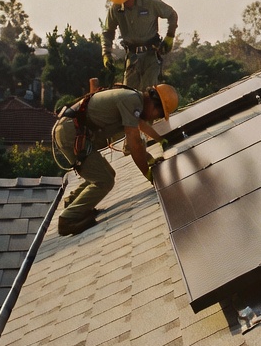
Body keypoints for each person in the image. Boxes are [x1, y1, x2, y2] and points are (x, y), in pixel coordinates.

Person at [52, 84, 179, 236]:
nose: (155, 118)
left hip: (71, 130)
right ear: (154, 104)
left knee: (106, 173)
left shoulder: (134, 98)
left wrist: (160, 140)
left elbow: (140, 126)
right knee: (105, 181)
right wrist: (148, 174)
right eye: (158, 115)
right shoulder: (132, 101)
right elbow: (134, 144)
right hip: (71, 133)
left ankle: (73, 202)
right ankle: (67, 220)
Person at [102, 0, 178, 89]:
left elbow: (172, 15)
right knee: (128, 94)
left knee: (149, 93)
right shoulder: (116, 9)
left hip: (151, 55)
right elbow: (108, 32)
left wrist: (170, 37)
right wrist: (106, 54)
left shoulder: (150, 2)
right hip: (132, 57)